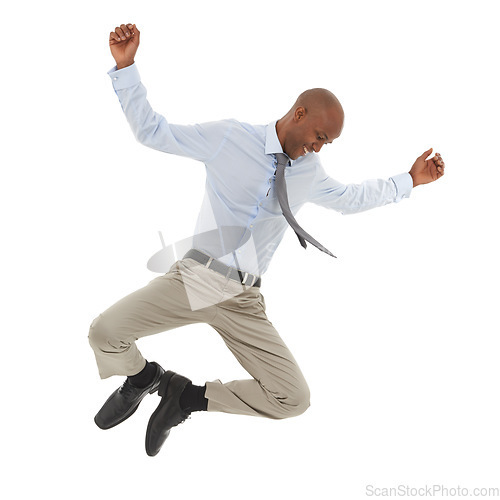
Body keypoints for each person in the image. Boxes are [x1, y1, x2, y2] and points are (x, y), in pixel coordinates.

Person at [89, 23, 445, 457]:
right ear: (299, 115)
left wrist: (409, 180)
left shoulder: (310, 172)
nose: (319, 148)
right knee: (105, 332)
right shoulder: (228, 138)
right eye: (319, 137)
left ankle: (185, 398)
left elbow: (351, 198)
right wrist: (126, 67)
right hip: (196, 278)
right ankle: (142, 378)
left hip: (243, 298)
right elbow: (154, 132)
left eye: (327, 143)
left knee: (293, 399)